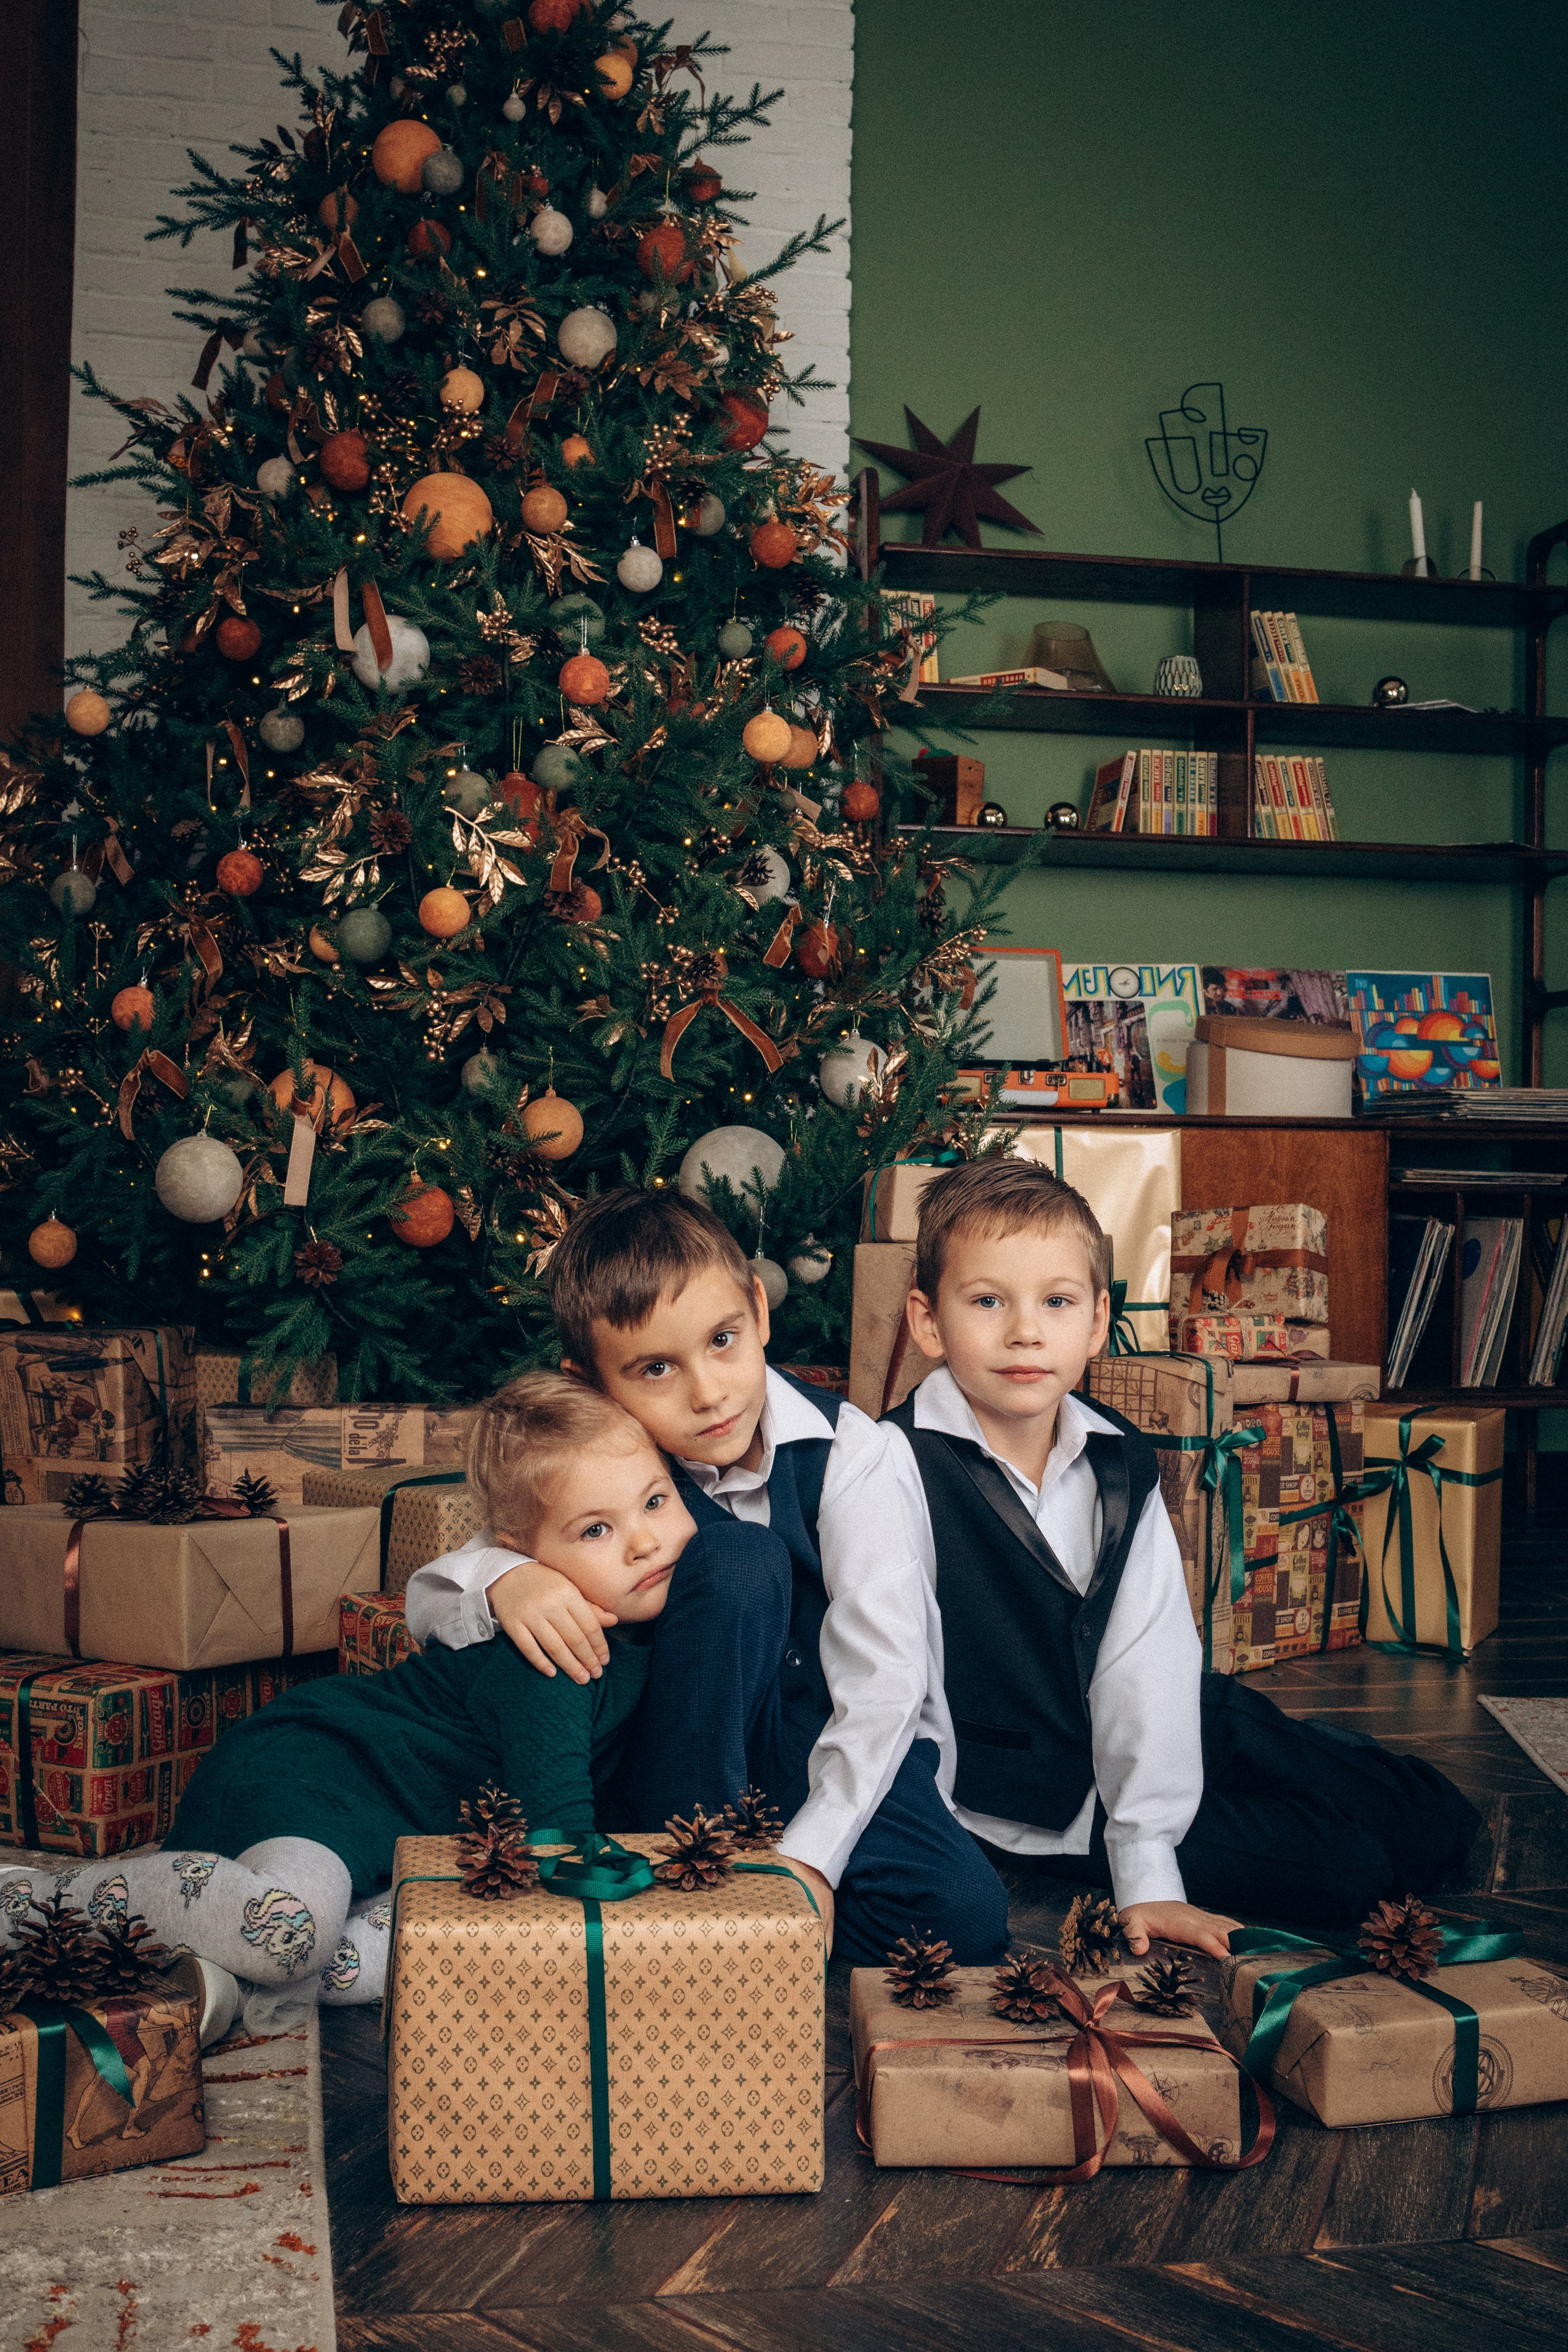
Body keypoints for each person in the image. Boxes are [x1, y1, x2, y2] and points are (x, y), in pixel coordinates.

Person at [888, 1156, 1480, 1958]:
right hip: (1041, 1787)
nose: (1025, 1330)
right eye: (987, 1301)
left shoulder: (1116, 1452)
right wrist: (1146, 1868)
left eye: (1055, 1302)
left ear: (1096, 1323)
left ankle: (1360, 1804)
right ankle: (1260, 1828)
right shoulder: (892, 1471)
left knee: (1436, 1824)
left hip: (1146, 1707)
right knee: (1353, 1870)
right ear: (928, 1322)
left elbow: (1147, 1655)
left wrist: (1163, 1755)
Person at [405, 1186, 1010, 1968]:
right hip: (673, 1758)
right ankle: (694, 1877)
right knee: (736, 1560)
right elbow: (433, 1598)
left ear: (759, 1311)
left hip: (822, 1744)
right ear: (591, 1383)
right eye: (655, 1368)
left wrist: (814, 1858)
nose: (706, 1392)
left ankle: (747, 1933)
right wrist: (502, 1578)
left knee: (964, 1919)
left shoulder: (852, 1453)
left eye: (722, 1340)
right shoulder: (608, 1461)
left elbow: (885, 1679)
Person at [0, 1373, 696, 2034]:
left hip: (401, 1835)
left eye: (656, 1500)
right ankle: (41, 1902)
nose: (643, 1542)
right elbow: (560, 1842)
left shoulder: (654, 1615)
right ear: (522, 1553)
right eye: (595, 1531)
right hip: (318, 1773)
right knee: (291, 1939)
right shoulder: (548, 1658)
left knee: (409, 1951)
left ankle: (212, 1961)